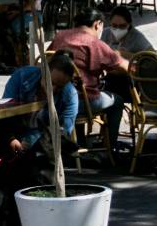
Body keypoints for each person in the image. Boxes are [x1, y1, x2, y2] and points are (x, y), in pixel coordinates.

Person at [50, 10, 129, 151]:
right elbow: (125, 67)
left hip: (54, 97)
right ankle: (109, 148)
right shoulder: (94, 43)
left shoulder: (60, 36)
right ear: (97, 24)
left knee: (80, 89)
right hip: (82, 100)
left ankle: (80, 140)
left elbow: (49, 59)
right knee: (117, 101)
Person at [3, 50, 78, 155]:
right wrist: (11, 138)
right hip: (15, 131)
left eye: (59, 87)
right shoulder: (21, 77)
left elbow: (62, 132)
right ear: (43, 71)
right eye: (51, 82)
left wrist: (31, 141)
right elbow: (5, 112)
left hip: (42, 143)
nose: (53, 88)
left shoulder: (70, 95)